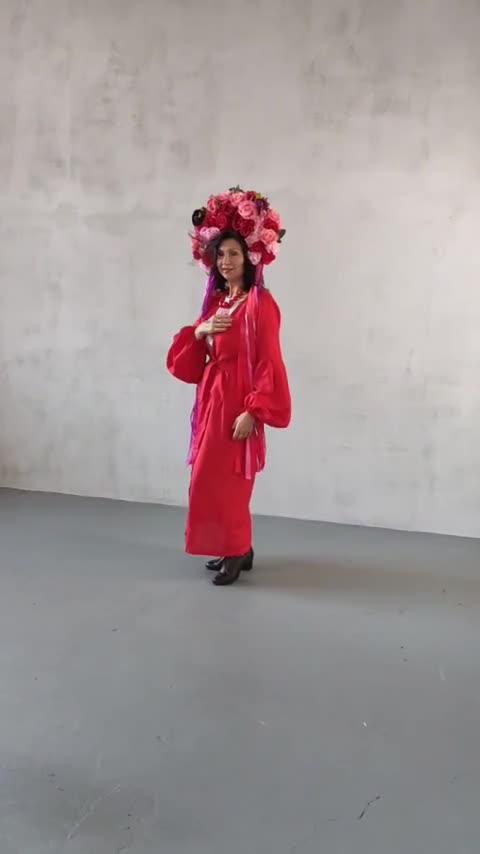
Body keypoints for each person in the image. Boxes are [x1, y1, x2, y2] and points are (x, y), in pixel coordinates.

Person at [167, 187, 291, 586]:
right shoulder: (219, 303)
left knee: (231, 481)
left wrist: (254, 411)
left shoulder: (261, 305)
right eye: (220, 254)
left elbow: (269, 362)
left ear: (250, 256)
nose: (226, 261)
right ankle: (234, 545)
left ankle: (236, 550)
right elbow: (190, 360)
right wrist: (201, 330)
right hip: (212, 398)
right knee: (207, 478)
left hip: (238, 400)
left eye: (234, 253)